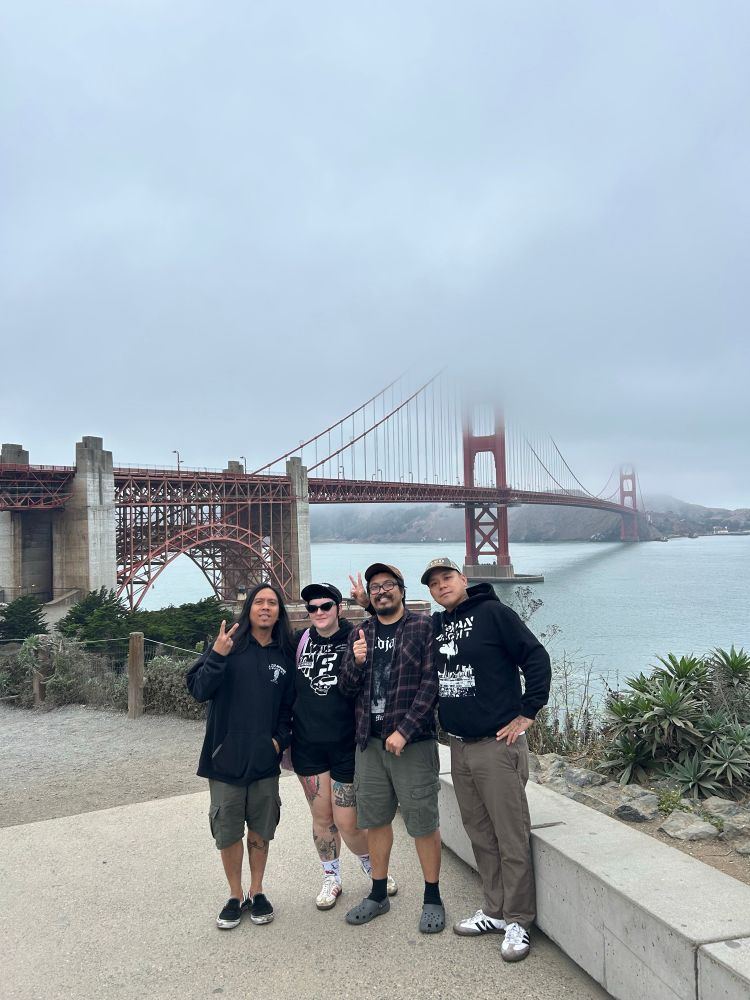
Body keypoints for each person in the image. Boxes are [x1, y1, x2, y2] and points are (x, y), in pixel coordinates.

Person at [421, 557, 551, 962]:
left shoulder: (495, 614)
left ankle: (518, 919)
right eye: (433, 583)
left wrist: (528, 712)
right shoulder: (437, 625)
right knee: (480, 833)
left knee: (510, 835)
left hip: (496, 745)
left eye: (447, 578)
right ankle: (495, 910)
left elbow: (536, 657)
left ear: (463, 579)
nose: (441, 586)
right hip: (458, 746)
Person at [339, 563, 444, 933]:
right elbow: (346, 687)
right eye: (375, 587)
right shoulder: (361, 632)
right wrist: (357, 662)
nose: (381, 591)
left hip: (412, 744)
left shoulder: (423, 627)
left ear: (401, 589)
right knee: (376, 821)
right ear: (370, 596)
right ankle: (378, 893)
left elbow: (432, 684)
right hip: (368, 744)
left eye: (388, 585)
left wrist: (404, 730)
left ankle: (432, 897)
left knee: (423, 823)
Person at [186, 583, 295, 930]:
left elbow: (290, 707)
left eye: (272, 602)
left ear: (279, 611)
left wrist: (278, 741)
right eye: (259, 601)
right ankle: (234, 895)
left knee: (261, 829)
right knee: (229, 832)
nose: (265, 607)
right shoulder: (228, 644)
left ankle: (256, 890)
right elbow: (198, 690)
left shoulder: (285, 653)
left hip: (264, 760)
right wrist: (217, 655)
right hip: (225, 760)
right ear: (248, 609)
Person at [291, 582, 397, 909]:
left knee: (348, 822)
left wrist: (367, 602)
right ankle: (331, 877)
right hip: (307, 744)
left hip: (346, 744)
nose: (319, 612)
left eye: (326, 605)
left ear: (339, 607)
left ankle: (372, 866)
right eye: (312, 607)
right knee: (322, 818)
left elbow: (391, 626)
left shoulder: (357, 636)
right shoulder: (300, 640)